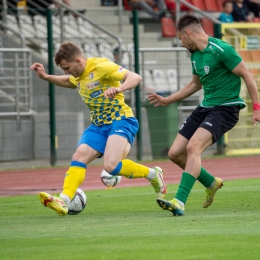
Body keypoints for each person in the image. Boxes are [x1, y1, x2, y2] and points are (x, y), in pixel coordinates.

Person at [31, 41, 167, 216]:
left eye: (67, 67)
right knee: (79, 155)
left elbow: (135, 77)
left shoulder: (101, 66)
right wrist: (46, 77)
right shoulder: (78, 75)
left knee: (111, 166)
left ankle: (153, 174)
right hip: (98, 125)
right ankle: (63, 200)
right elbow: (69, 81)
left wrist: (119, 88)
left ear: (78, 61)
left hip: (121, 120)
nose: (65, 71)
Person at [148, 14, 260, 216]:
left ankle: (179, 201)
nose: (181, 44)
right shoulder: (195, 55)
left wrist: (257, 108)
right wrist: (168, 100)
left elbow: (248, 75)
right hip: (205, 108)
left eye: (181, 39)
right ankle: (211, 182)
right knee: (174, 154)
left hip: (226, 108)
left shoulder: (222, 50)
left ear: (188, 33)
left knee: (193, 147)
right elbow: (195, 84)